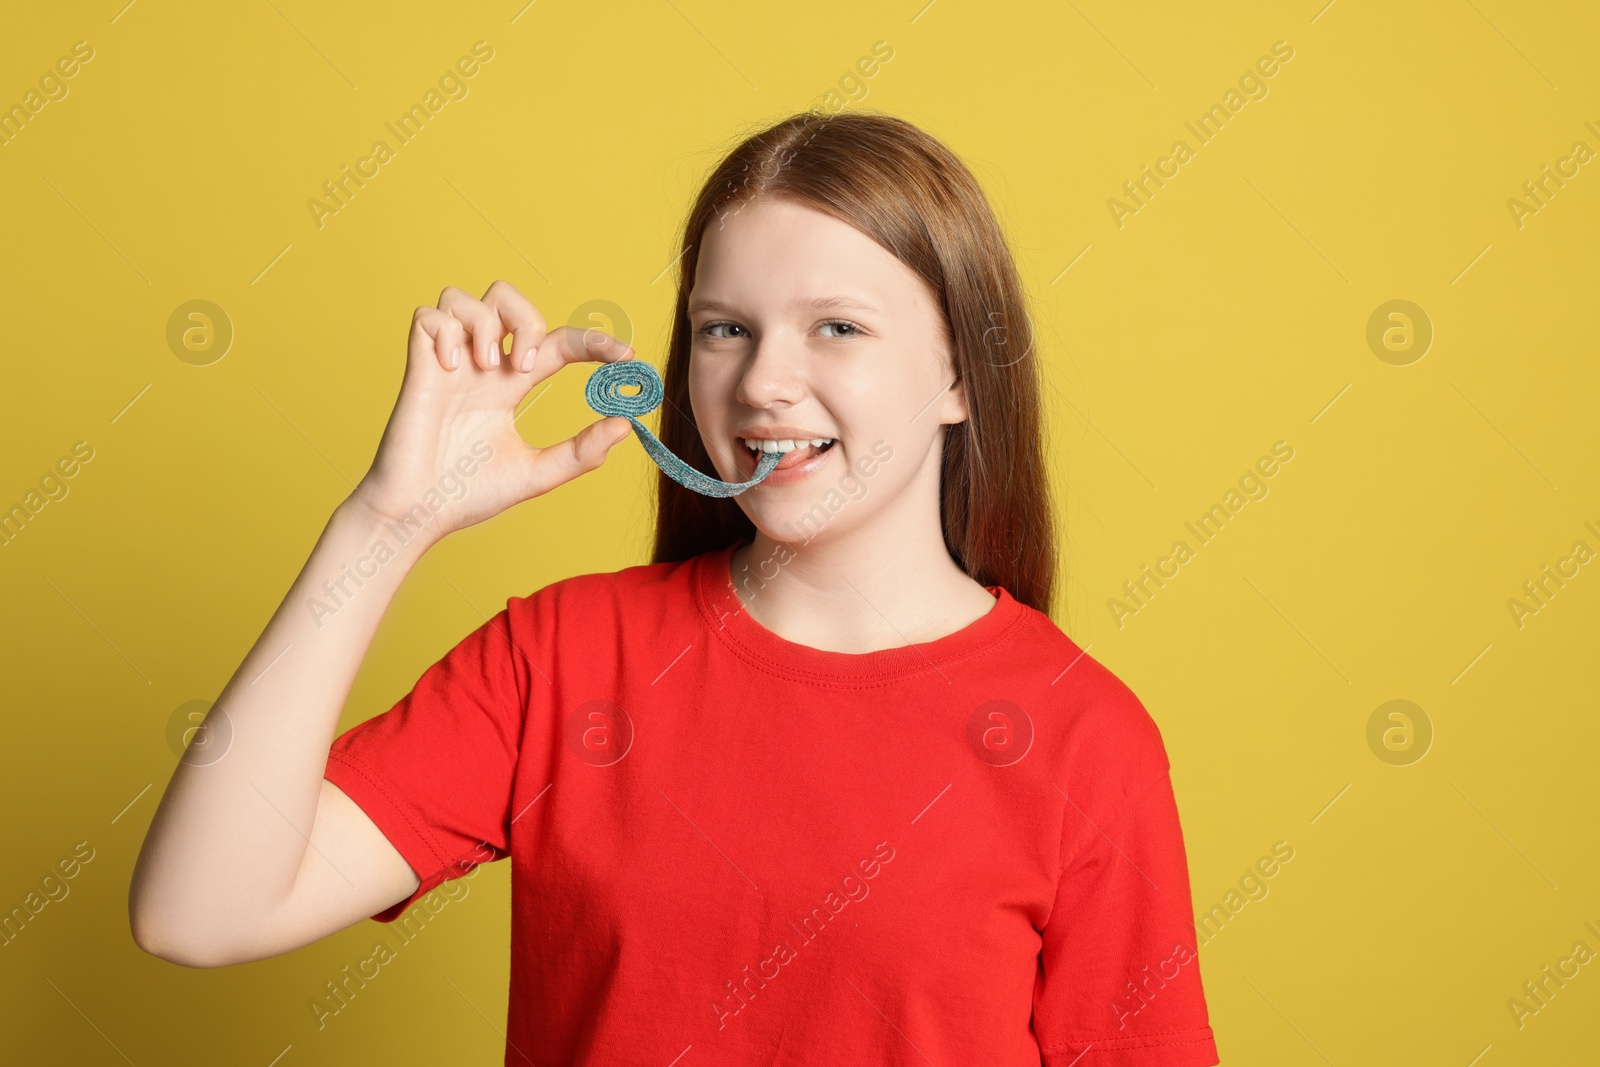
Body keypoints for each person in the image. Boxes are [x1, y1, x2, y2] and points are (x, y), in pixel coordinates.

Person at [129, 109, 1220, 1066]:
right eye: (723, 329)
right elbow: (197, 911)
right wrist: (385, 523)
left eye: (835, 325)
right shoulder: (562, 656)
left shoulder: (1084, 735)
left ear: (956, 374)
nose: (761, 383)